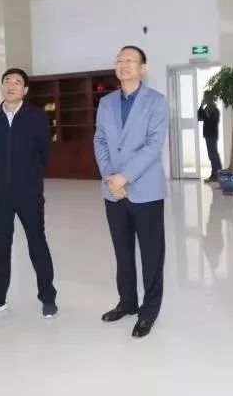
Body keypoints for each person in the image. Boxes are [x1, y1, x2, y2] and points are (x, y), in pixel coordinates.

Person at [94, 45, 168, 338]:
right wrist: (110, 178)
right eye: (119, 60)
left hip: (145, 189)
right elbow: (100, 140)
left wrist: (124, 177)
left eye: (130, 60)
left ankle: (149, 312)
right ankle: (127, 302)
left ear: (143, 68)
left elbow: (153, 145)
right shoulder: (106, 102)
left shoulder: (156, 102)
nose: (123, 64)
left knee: (151, 255)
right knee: (122, 252)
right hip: (113, 191)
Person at [0, 68, 58, 320]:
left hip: (29, 193)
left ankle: (48, 298)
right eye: (7, 81)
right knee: (1, 246)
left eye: (17, 82)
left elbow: (44, 153)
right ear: (1, 87)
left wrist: (30, 179)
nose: (11, 86)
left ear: (25, 90)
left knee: (37, 244)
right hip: (0, 194)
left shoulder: (37, 117)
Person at [197, 99, 222, 182]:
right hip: (208, 135)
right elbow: (199, 117)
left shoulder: (215, 110)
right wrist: (201, 106)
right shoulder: (206, 109)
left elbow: (213, 121)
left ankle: (215, 175)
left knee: (212, 155)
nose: (206, 101)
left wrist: (207, 113)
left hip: (212, 135)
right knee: (213, 154)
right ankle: (218, 173)